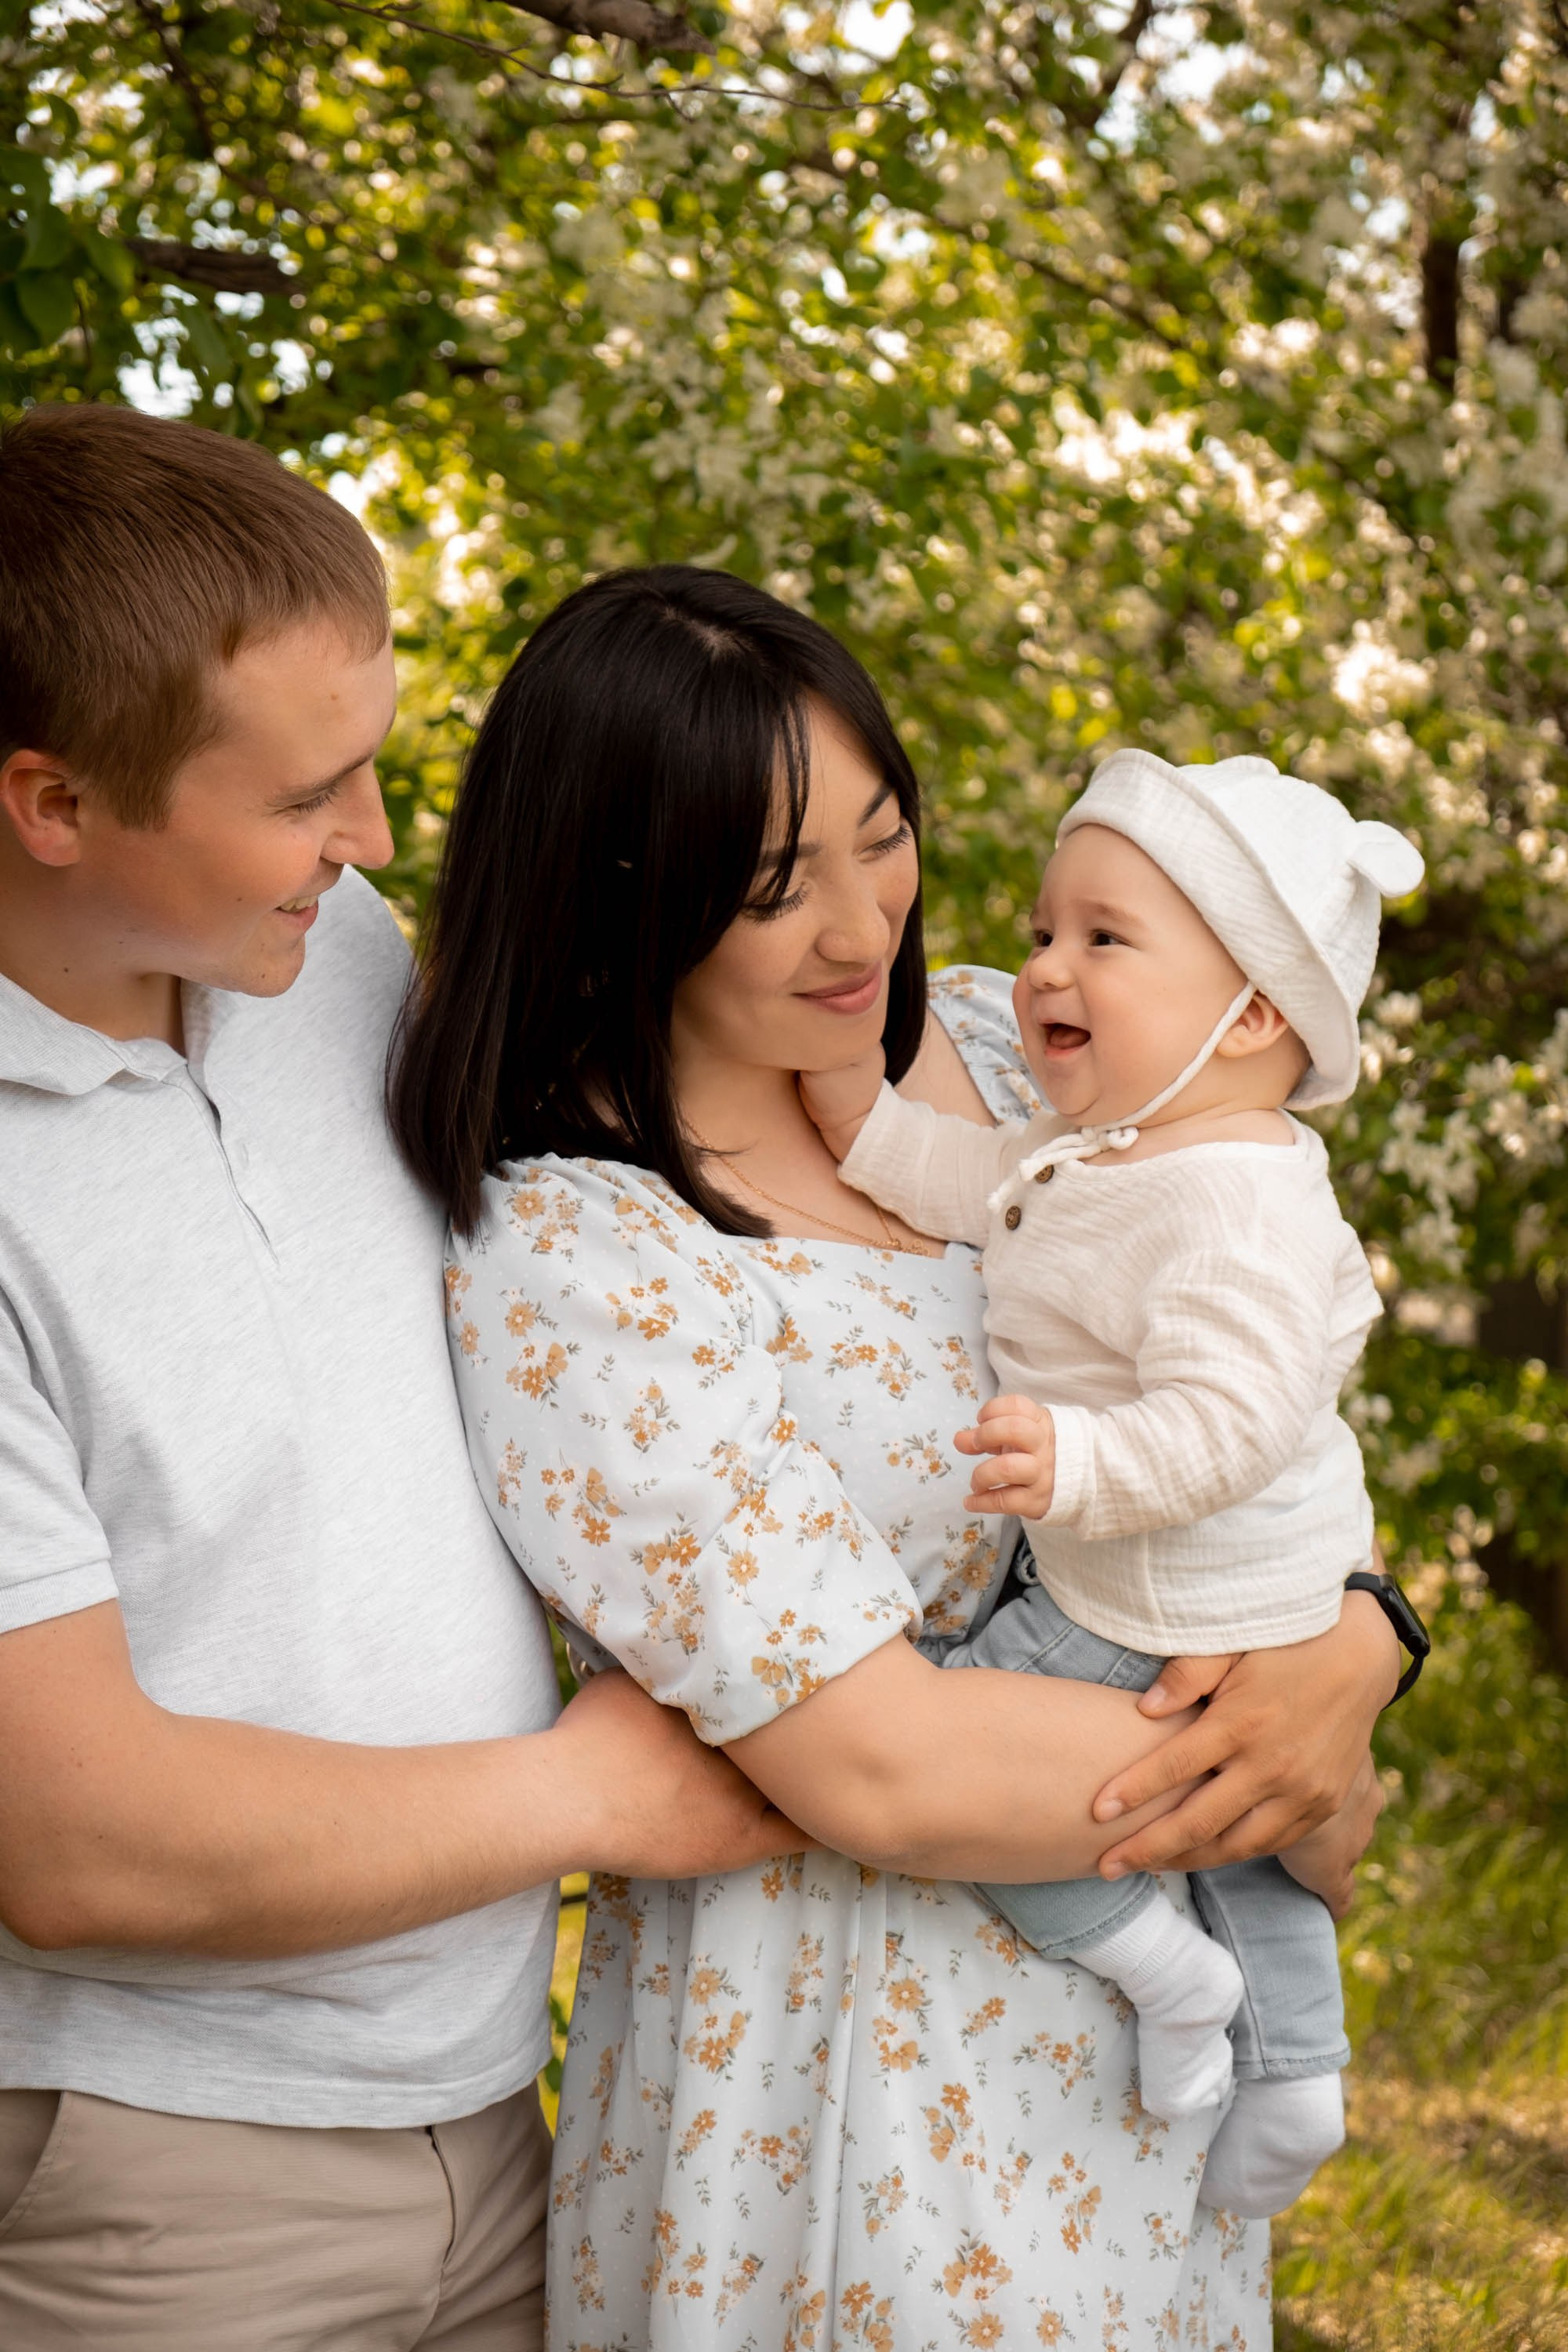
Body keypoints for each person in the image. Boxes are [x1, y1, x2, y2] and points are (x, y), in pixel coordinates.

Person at [390, 564, 1403, 2348]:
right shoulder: (584, 1251)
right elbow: (879, 1768)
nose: (863, 927)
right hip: (847, 2086)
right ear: (620, 891)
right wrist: (1281, 1741)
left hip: (1126, 2083)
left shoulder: (1027, 1055)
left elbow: (1257, 1377)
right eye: (775, 885)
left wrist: (1365, 1636)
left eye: (882, 837)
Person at [0, 407, 797, 2350]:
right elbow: (75, 1841)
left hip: (506, 2116)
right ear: (52, 805)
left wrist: (1328, 1605)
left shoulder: (323, 955)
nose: (367, 841)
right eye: (304, 797)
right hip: (163, 2193)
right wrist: (587, 1791)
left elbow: (772, 1198)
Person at [800, 750, 1429, 2217]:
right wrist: (853, 1109)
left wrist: (1076, 1461)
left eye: (1103, 938)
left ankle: (1168, 1975)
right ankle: (1303, 2064)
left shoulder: (1234, 1197)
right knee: (1243, 1828)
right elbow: (973, 1183)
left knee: (983, 1769)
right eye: (1040, 932)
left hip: (1153, 1587)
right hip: (1212, 1588)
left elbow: (1236, 1421)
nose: (1045, 968)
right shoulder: (1118, 1144)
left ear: (1257, 1010)